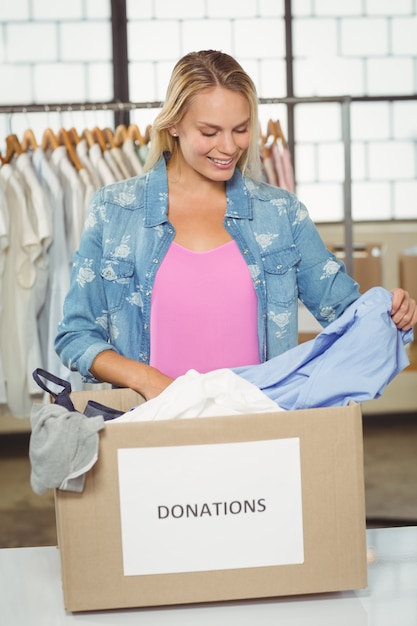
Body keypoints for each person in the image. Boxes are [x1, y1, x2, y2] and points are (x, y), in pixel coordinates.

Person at [54, 50, 417, 401]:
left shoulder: (280, 212)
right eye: (210, 132)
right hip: (153, 428)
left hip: (259, 424)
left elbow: (345, 312)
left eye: (240, 130)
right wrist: (148, 380)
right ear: (174, 124)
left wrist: (392, 313)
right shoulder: (115, 210)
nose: (228, 147)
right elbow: (76, 335)